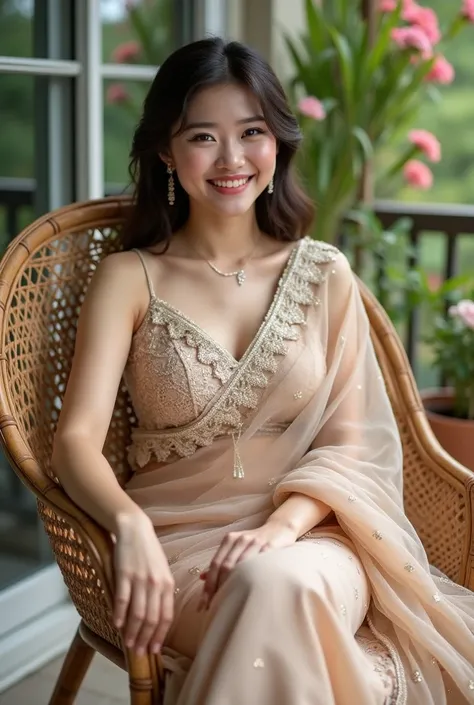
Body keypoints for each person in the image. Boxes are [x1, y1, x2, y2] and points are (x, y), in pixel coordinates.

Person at [51, 37, 474, 705]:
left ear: (277, 142)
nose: (232, 159)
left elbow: (348, 445)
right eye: (203, 137)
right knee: (264, 594)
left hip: (315, 536)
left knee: (279, 582)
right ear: (166, 149)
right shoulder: (130, 278)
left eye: (252, 132)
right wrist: (128, 525)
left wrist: (281, 528)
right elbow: (75, 440)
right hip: (178, 546)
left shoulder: (325, 273)